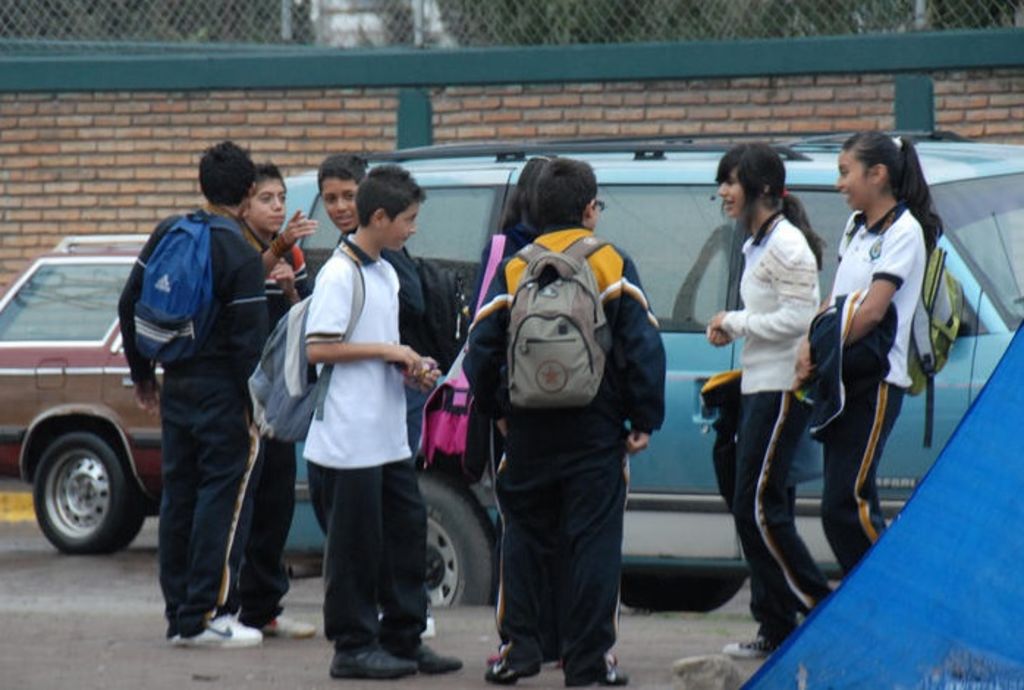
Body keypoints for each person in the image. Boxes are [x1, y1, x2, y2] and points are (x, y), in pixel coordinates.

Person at [464, 157, 666, 687]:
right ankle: (588, 662)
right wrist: (643, 417)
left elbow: (480, 351)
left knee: (522, 538)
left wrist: (498, 410)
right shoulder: (610, 262)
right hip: (595, 427)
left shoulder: (516, 267)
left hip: (527, 429)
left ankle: (519, 651)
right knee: (594, 543)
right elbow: (643, 345)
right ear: (589, 209)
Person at [303, 164, 463, 680]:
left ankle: (403, 637)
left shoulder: (386, 272)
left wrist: (409, 368)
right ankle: (352, 646)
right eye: (408, 219)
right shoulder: (339, 273)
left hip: (389, 433)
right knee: (354, 548)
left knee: (405, 535)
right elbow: (318, 348)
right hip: (348, 437)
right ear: (378, 217)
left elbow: (379, 348)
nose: (413, 228)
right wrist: (390, 350)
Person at [117, 140, 269, 648]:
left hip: (175, 384)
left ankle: (179, 614)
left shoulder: (169, 231)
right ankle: (205, 615)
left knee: (179, 497)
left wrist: (143, 375)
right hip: (224, 394)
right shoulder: (241, 253)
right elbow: (249, 346)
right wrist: (258, 406)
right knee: (220, 501)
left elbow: (128, 302)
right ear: (248, 192)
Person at [705, 143, 831, 659]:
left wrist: (735, 322)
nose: (723, 192)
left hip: (782, 389)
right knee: (758, 506)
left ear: (760, 189)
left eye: (730, 182)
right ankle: (775, 626)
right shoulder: (756, 242)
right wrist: (734, 328)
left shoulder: (786, 245)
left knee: (758, 507)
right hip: (758, 386)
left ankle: (820, 609)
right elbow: (774, 314)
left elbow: (801, 320)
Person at [795, 132, 935, 573]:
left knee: (844, 505)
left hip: (876, 381)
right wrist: (809, 343)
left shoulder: (904, 231)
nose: (839, 183)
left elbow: (872, 311)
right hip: (844, 376)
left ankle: (890, 591)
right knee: (850, 502)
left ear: (877, 174)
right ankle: (870, 602)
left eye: (845, 172)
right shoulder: (855, 226)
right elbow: (837, 298)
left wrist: (825, 347)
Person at [226, 162, 318, 639]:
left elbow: (304, 317)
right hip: (239, 397)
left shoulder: (291, 253)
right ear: (244, 205)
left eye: (281, 198)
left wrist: (289, 287)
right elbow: (242, 280)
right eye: (267, 199)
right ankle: (228, 607)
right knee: (244, 502)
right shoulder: (237, 248)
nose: (278, 206)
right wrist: (278, 248)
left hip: (278, 398)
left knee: (278, 502)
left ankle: (263, 608)